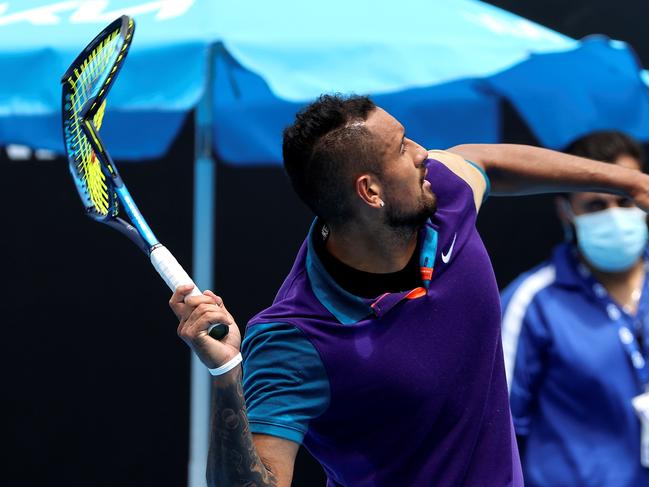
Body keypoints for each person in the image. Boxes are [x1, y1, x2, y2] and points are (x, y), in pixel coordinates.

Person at [169, 95, 649, 487]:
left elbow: (486, 163)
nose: (423, 153)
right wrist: (227, 373)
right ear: (371, 192)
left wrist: (632, 182)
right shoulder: (294, 337)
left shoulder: (441, 197)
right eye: (401, 147)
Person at [501, 131, 649, 487]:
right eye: (596, 206)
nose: (614, 216)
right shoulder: (531, 301)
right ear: (566, 211)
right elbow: (498, 428)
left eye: (625, 202)